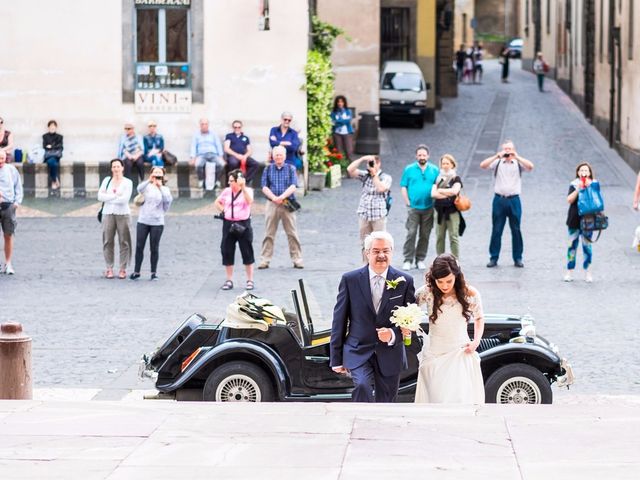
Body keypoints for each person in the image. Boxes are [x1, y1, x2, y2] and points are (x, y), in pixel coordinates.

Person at [330, 231, 416, 403]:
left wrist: (392, 335)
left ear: (392, 252)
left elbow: (410, 324)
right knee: (362, 385)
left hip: (390, 353)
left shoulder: (405, 281)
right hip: (358, 349)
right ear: (367, 253)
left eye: (386, 250)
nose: (381, 255)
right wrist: (336, 359)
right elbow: (339, 320)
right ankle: (360, 423)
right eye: (376, 251)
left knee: (386, 401)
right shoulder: (350, 280)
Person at [409, 254, 485, 403]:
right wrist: (409, 324)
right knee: (436, 399)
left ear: (456, 276)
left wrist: (476, 341)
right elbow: (410, 310)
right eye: (440, 281)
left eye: (449, 281)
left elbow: (479, 317)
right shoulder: (426, 292)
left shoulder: (470, 293)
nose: (444, 285)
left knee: (459, 398)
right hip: (434, 352)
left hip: (460, 351)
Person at [480, 140, 535, 268]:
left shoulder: (518, 163)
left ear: (514, 149)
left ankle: (518, 258)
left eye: (509, 149)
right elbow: (483, 165)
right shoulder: (498, 162)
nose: (507, 151)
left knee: (516, 230)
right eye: (506, 149)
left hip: (514, 200)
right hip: (499, 199)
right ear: (502, 150)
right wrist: (496, 156)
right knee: (496, 229)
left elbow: (531, 166)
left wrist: (517, 156)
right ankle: (493, 257)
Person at [259, 145, 303, 269]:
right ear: (273, 156)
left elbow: (293, 185)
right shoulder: (268, 169)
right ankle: (265, 259)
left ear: (284, 156)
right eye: (276, 154)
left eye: (280, 154)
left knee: (292, 233)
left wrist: (281, 197)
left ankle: (297, 259)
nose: (278, 157)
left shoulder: (291, 168)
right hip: (272, 204)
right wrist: (274, 198)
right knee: (269, 233)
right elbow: (264, 186)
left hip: (287, 203)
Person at [400, 144, 439, 271]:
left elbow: (439, 186)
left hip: (429, 207)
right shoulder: (409, 169)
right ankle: (407, 259)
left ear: (428, 156)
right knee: (411, 233)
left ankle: (420, 259)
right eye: (419, 155)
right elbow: (403, 186)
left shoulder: (434, 170)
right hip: (413, 207)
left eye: (424, 155)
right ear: (416, 156)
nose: (422, 157)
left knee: (425, 234)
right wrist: (407, 202)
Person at [214, 169, 255, 291]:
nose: (229, 183)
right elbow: (217, 202)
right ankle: (229, 279)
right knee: (227, 250)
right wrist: (224, 210)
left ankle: (250, 280)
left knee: (247, 251)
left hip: (243, 224)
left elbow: (250, 202)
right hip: (228, 224)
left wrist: (243, 187)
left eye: (231, 181)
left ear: (238, 181)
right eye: (229, 181)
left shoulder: (247, 191)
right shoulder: (227, 191)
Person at [130, 166, 172, 281]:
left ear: (163, 176)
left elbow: (168, 201)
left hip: (157, 222)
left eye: (159, 173)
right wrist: (149, 180)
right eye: (155, 172)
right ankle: (136, 271)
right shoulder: (147, 186)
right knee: (139, 246)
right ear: (151, 174)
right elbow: (139, 188)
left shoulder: (165, 189)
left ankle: (154, 272)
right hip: (143, 220)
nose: (157, 174)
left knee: (154, 248)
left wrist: (160, 187)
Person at [347, 154, 392, 259]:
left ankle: (380, 264)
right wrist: (362, 159)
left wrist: (374, 175)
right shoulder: (365, 175)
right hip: (364, 213)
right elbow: (350, 170)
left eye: (373, 163)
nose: (370, 166)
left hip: (378, 215)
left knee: (380, 242)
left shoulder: (385, 177)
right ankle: (366, 266)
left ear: (379, 164)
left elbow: (381, 188)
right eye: (369, 164)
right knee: (365, 243)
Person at [98, 158, 133, 279]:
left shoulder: (127, 182)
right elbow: (99, 196)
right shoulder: (107, 180)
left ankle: (123, 268)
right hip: (108, 213)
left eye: (118, 166)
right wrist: (114, 196)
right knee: (107, 241)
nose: (116, 169)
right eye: (114, 167)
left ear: (122, 168)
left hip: (123, 214)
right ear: (111, 168)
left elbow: (125, 200)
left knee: (124, 241)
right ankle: (109, 268)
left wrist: (108, 197)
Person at [564, 163, 597, 283]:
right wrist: (579, 188)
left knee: (587, 247)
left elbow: (597, 201)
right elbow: (569, 199)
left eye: (586, 170)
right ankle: (569, 271)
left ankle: (588, 272)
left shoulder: (594, 184)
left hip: (588, 220)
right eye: (581, 170)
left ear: (589, 173)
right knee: (572, 246)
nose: (583, 172)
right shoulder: (573, 184)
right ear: (578, 172)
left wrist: (588, 187)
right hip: (574, 219)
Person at [431, 154, 462, 258]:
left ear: (452, 164)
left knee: (453, 236)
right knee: (440, 236)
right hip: (439, 211)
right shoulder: (437, 177)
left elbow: (455, 191)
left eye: (447, 163)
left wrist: (440, 190)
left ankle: (455, 259)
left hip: (452, 211)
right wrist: (447, 194)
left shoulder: (456, 178)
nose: (445, 165)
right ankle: (440, 259)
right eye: (443, 163)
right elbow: (433, 194)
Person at [0, 150, 23, 275]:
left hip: (8, 206)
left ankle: (8, 263)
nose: (0, 161)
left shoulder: (11, 170)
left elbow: (18, 186)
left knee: (8, 235)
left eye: (2, 158)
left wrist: (16, 202)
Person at [190, 118, 225, 189]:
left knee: (221, 164)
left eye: (206, 124)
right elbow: (193, 146)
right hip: (201, 155)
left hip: (213, 154)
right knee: (198, 165)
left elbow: (218, 145)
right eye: (202, 124)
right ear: (200, 125)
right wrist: (193, 158)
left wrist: (221, 157)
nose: (204, 126)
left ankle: (217, 181)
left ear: (208, 125)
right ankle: (201, 181)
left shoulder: (213, 134)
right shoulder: (196, 135)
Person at [331, 96, 354, 161]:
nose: (340, 103)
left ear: (344, 103)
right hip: (337, 133)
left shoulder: (348, 111)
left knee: (349, 151)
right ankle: (341, 166)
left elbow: (348, 121)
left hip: (347, 133)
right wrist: (343, 121)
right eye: (338, 102)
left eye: (341, 101)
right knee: (339, 151)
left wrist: (337, 121)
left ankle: (350, 167)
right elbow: (332, 122)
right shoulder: (334, 112)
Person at [42, 120, 64, 190]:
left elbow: (60, 147)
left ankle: (54, 181)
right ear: (48, 127)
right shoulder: (45, 136)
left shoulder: (59, 137)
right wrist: (54, 146)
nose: (52, 127)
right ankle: (55, 180)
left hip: (56, 156)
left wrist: (51, 146)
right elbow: (44, 146)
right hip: (48, 156)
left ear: (56, 127)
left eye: (53, 126)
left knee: (53, 162)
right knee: (52, 163)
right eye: (51, 126)